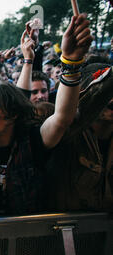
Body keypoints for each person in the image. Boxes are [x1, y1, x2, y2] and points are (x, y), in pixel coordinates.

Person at [0, 13, 94, 234]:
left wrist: (71, 61)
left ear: (13, 114)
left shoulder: (32, 139)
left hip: (29, 234)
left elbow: (62, 117)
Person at [46, 63, 113, 212]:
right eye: (104, 94)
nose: (111, 100)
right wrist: (71, 63)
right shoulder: (68, 133)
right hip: (68, 228)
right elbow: (62, 119)